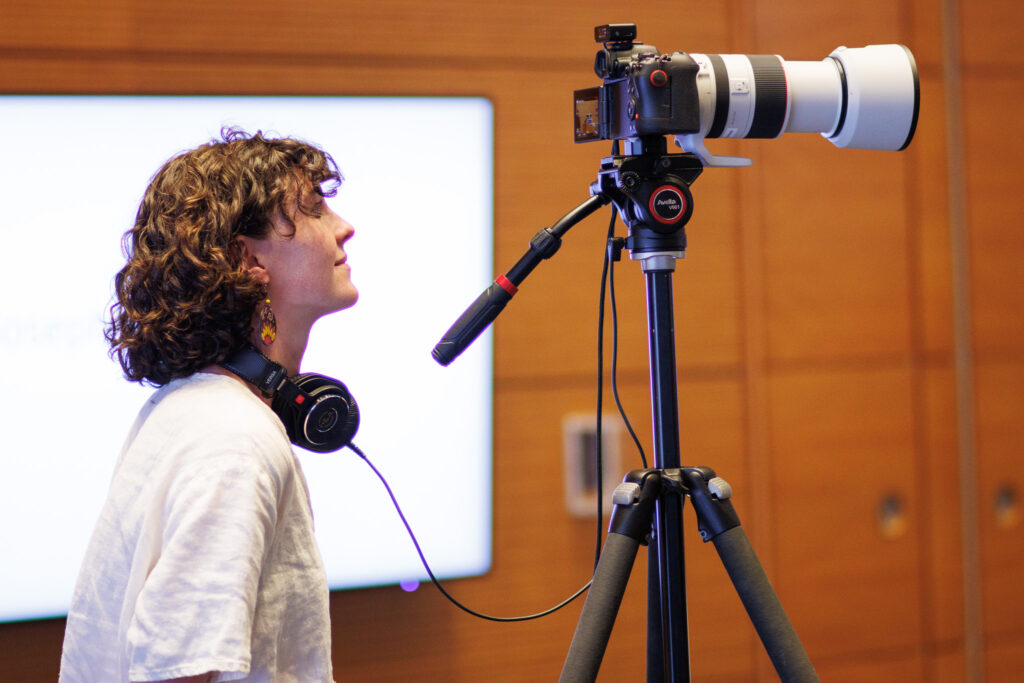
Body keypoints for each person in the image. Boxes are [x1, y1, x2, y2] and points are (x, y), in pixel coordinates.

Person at [59, 128, 357, 683]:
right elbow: (176, 670)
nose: (344, 227)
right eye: (315, 209)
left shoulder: (195, 410)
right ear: (249, 259)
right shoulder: (235, 441)